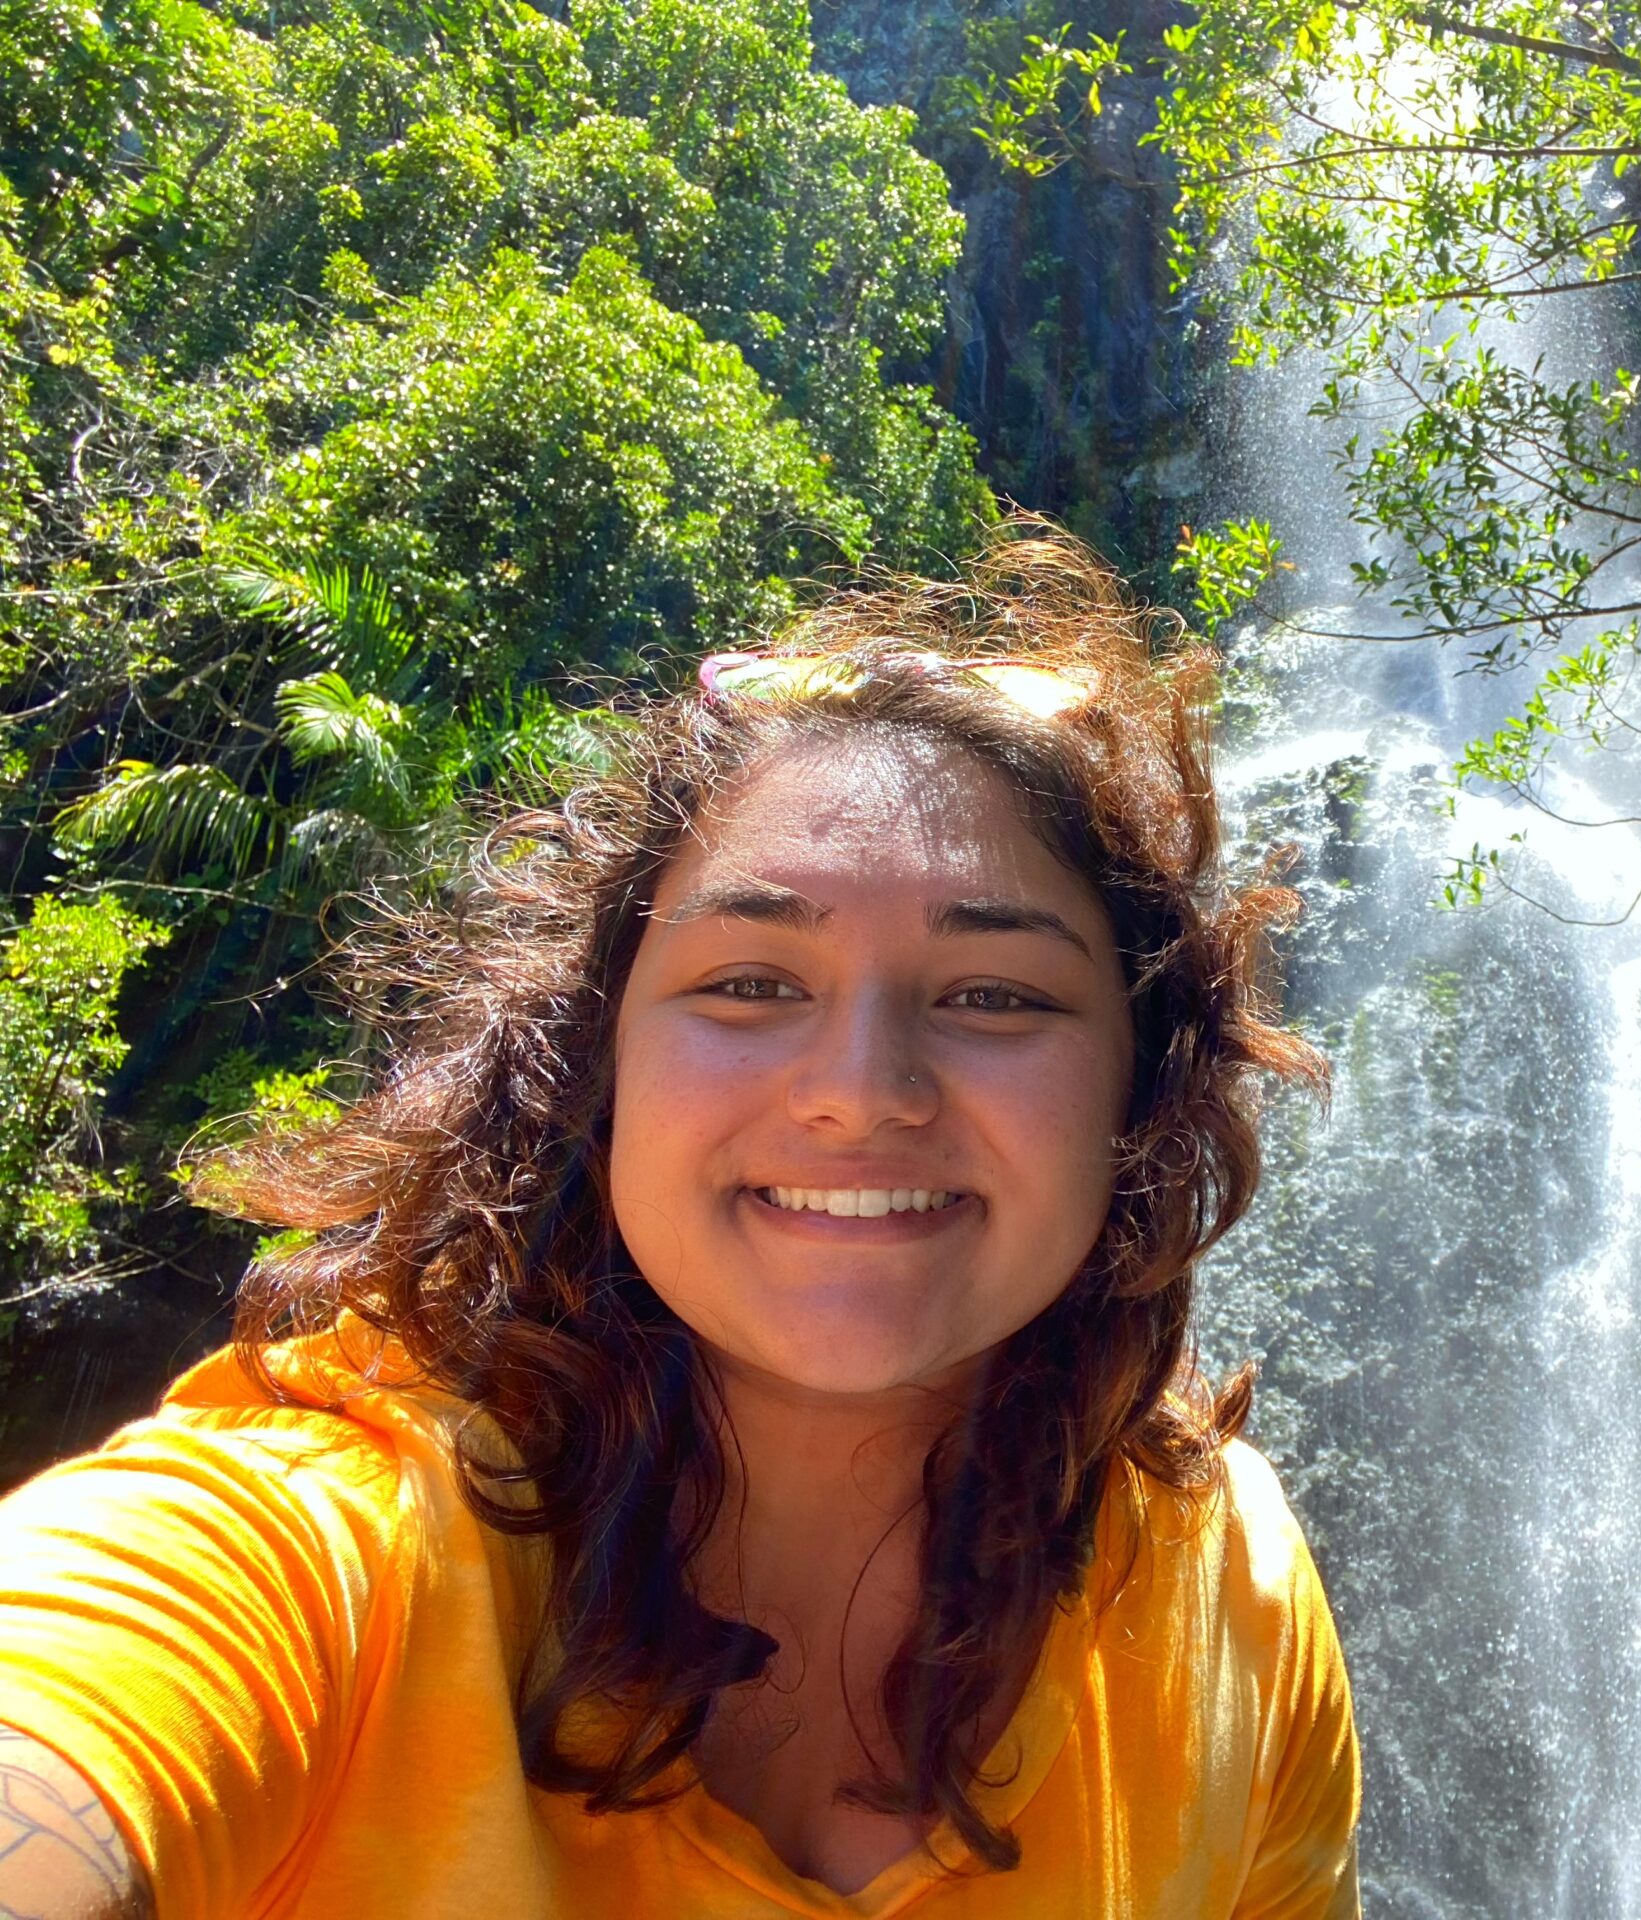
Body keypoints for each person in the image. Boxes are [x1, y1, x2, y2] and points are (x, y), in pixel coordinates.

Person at [0, 532, 1360, 1918]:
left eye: (995, 995)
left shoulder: (1224, 1589)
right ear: (599, 1067)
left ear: (1142, 1087)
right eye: (754, 982)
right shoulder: (309, 1547)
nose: (860, 1093)